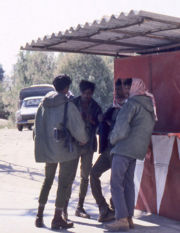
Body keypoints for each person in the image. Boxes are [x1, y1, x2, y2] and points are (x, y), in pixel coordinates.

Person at [34, 74, 88, 230]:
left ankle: (39, 215)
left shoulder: (42, 104)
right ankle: (57, 217)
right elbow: (79, 131)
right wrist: (83, 139)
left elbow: (36, 129)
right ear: (67, 88)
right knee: (63, 184)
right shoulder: (67, 105)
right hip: (66, 150)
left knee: (47, 180)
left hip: (48, 150)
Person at [105, 78, 157, 232]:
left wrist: (112, 139)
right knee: (128, 184)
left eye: (128, 87)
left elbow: (121, 129)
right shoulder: (149, 106)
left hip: (123, 149)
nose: (126, 91)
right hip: (136, 151)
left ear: (134, 88)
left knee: (116, 184)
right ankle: (128, 218)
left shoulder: (131, 104)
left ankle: (121, 218)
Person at [90, 78, 132, 222]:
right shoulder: (113, 108)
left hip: (119, 151)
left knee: (117, 182)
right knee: (93, 173)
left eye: (121, 90)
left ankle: (119, 211)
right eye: (117, 90)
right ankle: (103, 208)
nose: (118, 93)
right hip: (108, 150)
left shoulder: (130, 108)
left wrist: (109, 122)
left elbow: (124, 129)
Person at [73, 80, 102, 218]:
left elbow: (100, 123)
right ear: (81, 92)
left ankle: (79, 207)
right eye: (85, 93)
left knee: (85, 177)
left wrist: (91, 120)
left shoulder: (96, 107)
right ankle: (64, 209)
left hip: (89, 145)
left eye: (90, 93)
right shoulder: (72, 104)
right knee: (68, 176)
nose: (87, 96)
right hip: (73, 145)